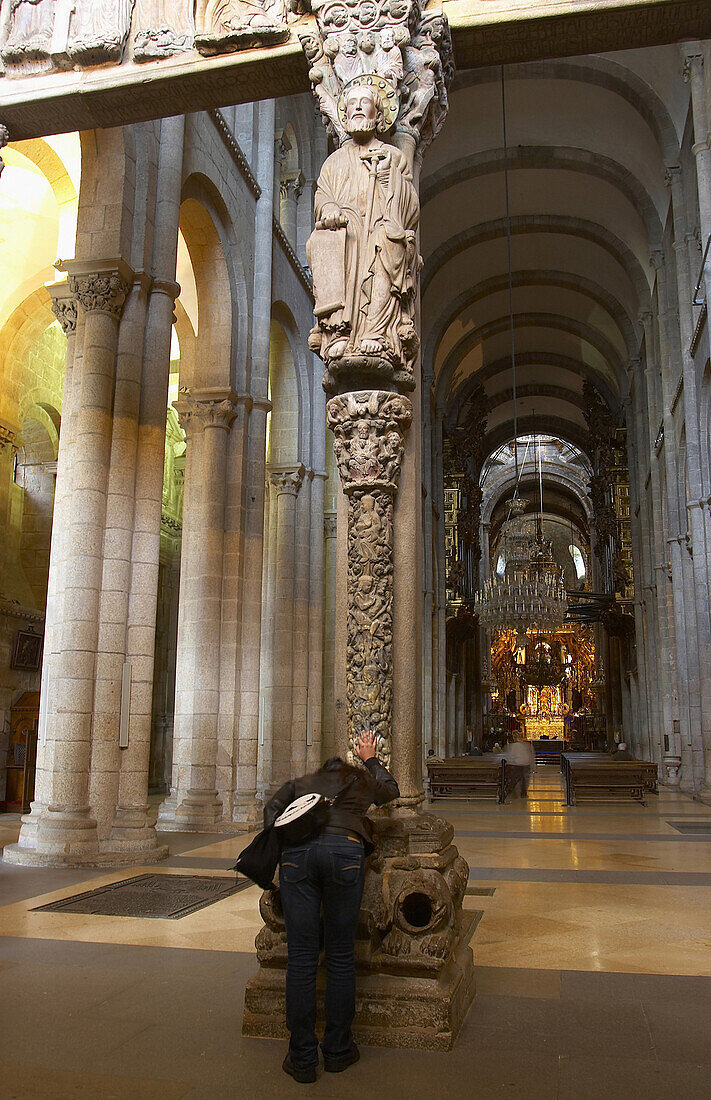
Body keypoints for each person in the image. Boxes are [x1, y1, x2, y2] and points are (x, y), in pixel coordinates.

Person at [264, 730, 399, 1083]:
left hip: (297, 857)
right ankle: (338, 1050)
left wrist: (282, 845)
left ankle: (302, 1057)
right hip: (345, 853)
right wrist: (369, 758)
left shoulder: (302, 783)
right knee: (340, 956)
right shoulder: (357, 781)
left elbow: (271, 811)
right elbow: (391, 791)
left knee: (302, 957)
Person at [503, 732, 536, 798]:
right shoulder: (527, 745)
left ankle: (509, 791)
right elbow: (531, 755)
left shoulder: (512, 746)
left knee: (515, 779)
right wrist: (532, 765)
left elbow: (510, 755)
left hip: (516, 764)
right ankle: (523, 793)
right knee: (524, 779)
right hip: (525, 763)